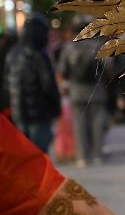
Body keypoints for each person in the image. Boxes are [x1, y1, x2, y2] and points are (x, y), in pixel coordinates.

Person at [5, 15, 61, 153]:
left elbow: (7, 84)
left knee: (25, 156)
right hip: (39, 114)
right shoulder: (39, 55)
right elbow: (48, 85)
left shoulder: (12, 54)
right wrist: (56, 108)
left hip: (17, 114)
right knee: (39, 154)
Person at [56, 28, 110, 167]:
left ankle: (82, 157)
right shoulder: (99, 45)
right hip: (97, 90)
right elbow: (108, 68)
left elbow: (62, 69)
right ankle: (98, 155)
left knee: (79, 124)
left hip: (76, 90)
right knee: (97, 123)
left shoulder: (69, 47)